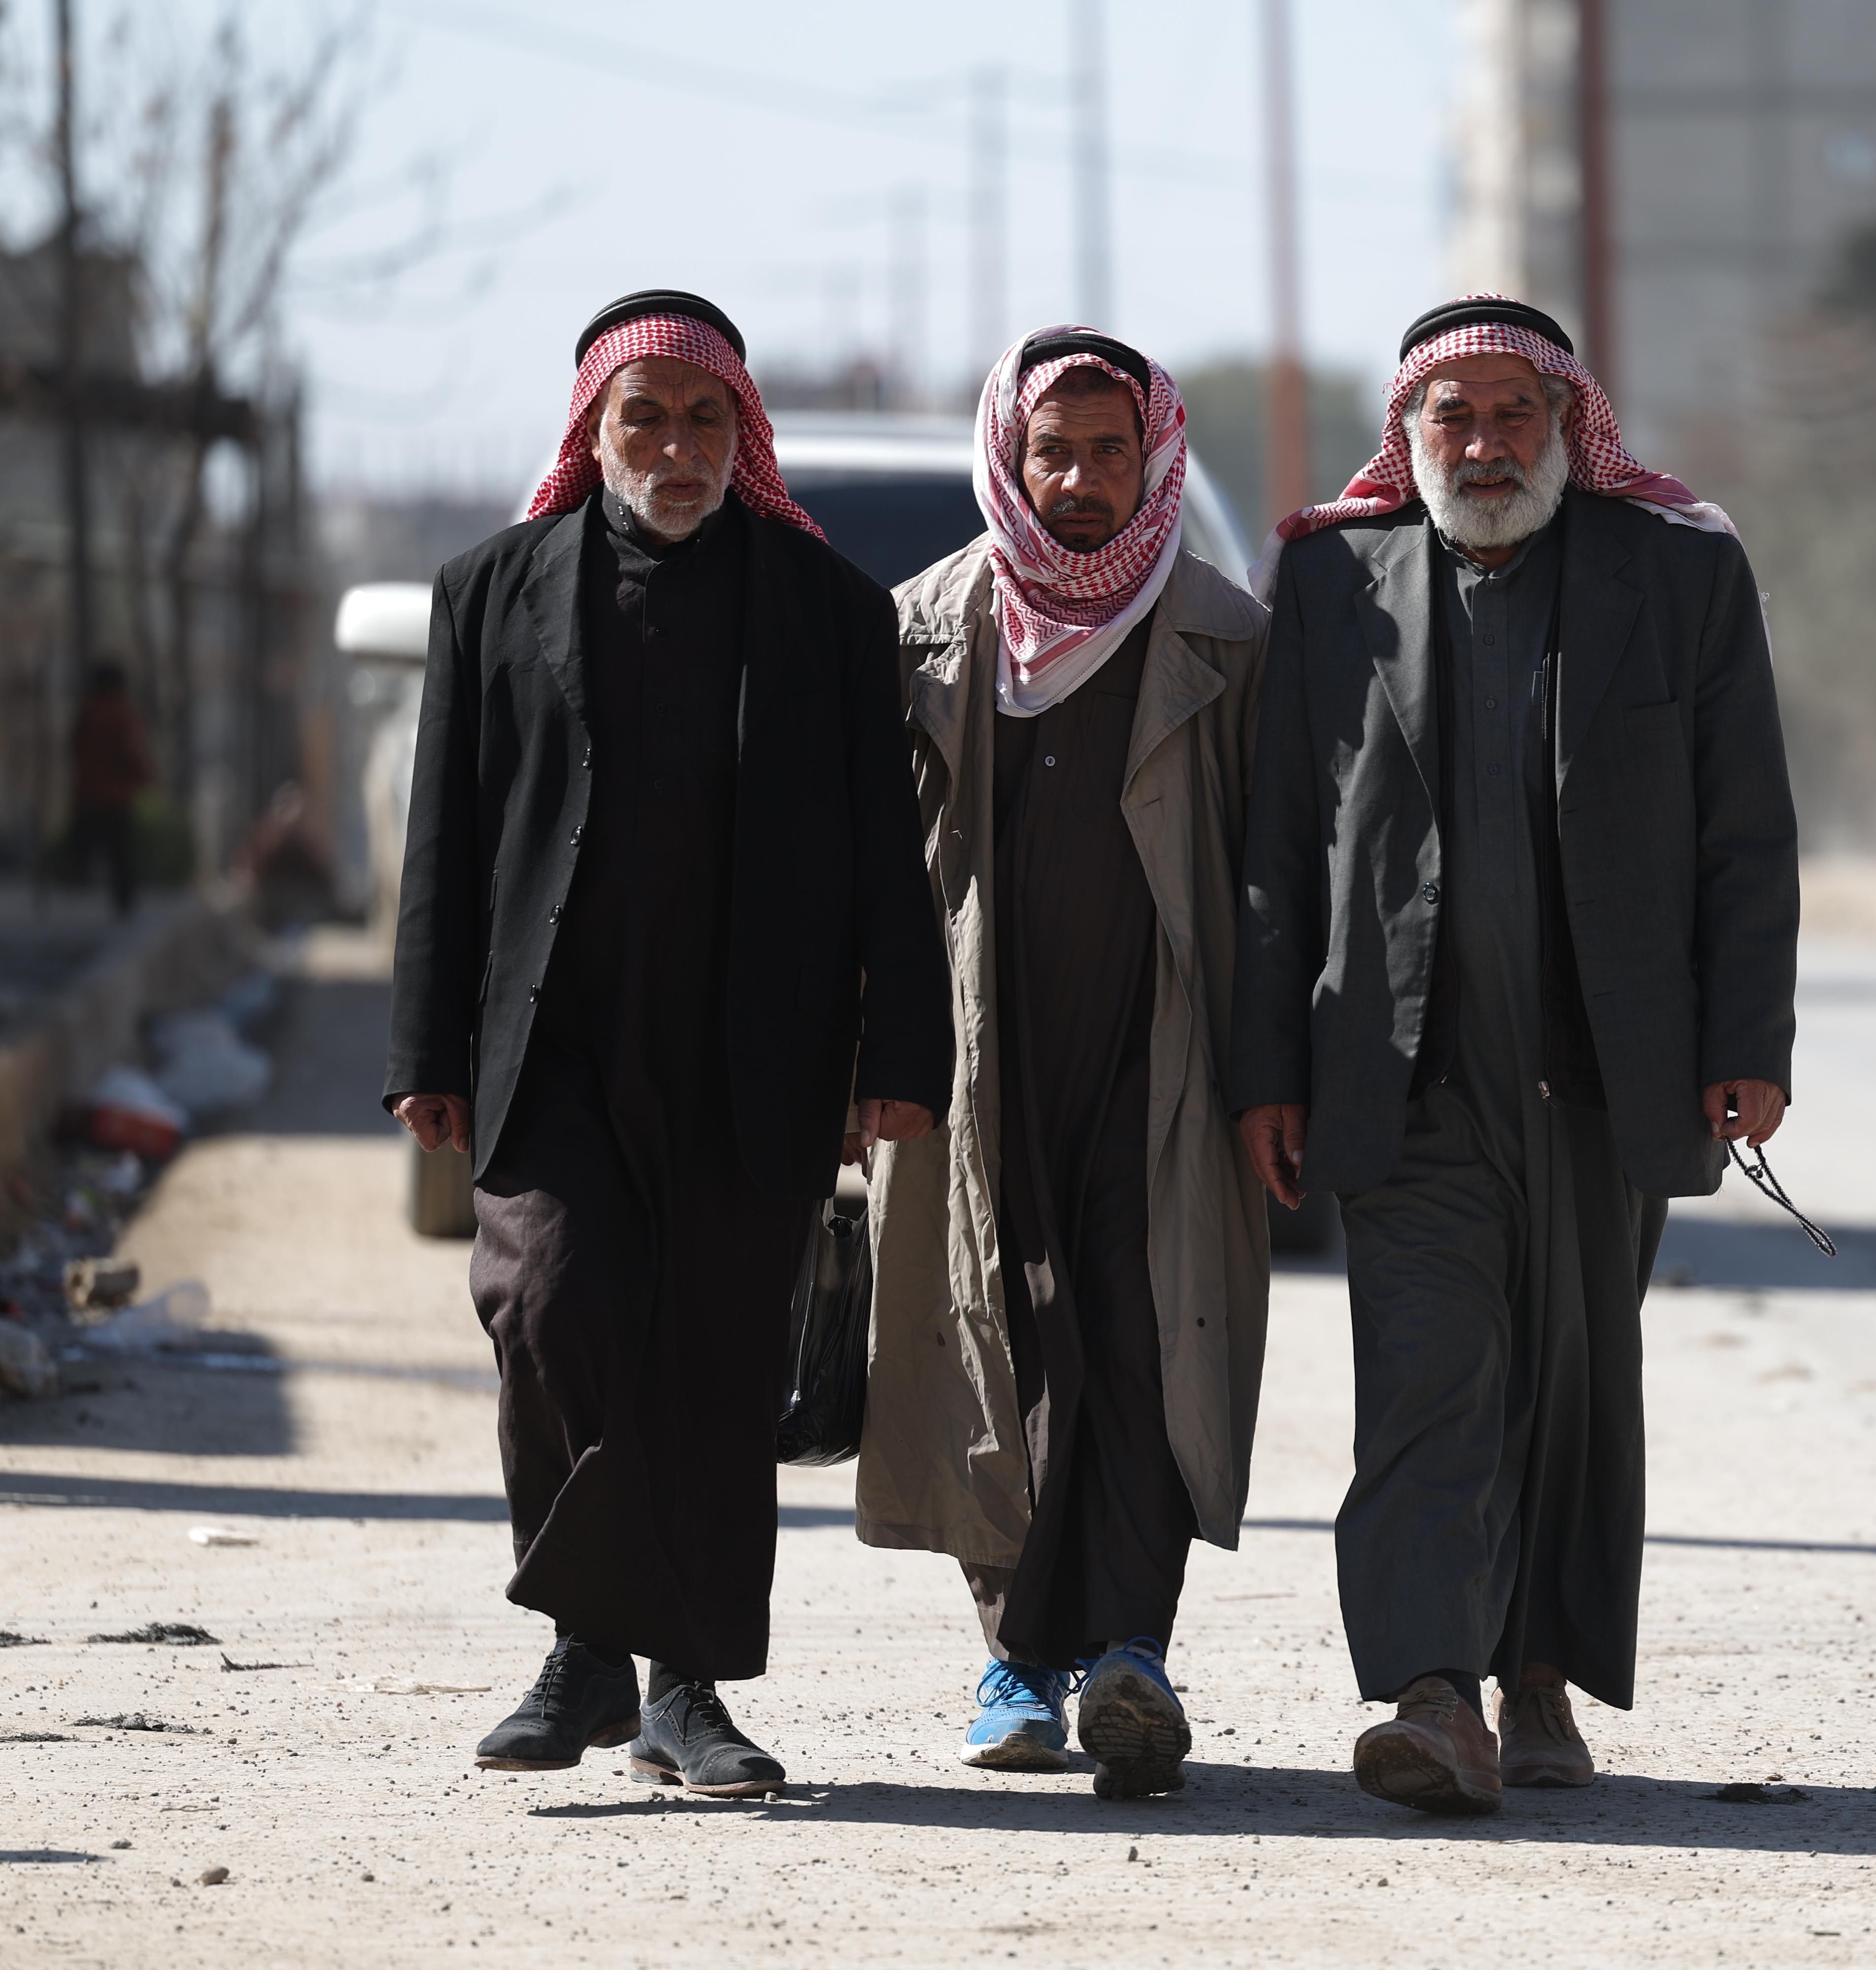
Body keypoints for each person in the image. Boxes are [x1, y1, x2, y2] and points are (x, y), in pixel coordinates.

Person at [1229, 295, 1800, 1815]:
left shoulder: (1675, 577)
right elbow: (1276, 848)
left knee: (1565, 1373)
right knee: (1427, 1374)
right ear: (1406, 434)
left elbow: (1743, 828)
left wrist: (1746, 1038)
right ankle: (1432, 1688)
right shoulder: (1331, 580)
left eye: (1512, 416)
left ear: (1564, 428)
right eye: (1452, 418)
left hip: (1603, 1063)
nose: (1483, 445)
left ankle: (1537, 1671)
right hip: (1399, 1066)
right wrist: (1262, 1065)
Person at [385, 291, 952, 1800]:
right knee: (554, 1302)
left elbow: (883, 852)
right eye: (647, 417)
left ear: (741, 436)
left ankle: (679, 1689)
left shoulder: (824, 609)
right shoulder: (490, 589)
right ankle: (583, 1639)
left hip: (751, 1047)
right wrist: (421, 1048)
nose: (678, 447)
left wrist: (897, 1044)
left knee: (709, 1357)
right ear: (595, 428)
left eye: (707, 420)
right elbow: (442, 842)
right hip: (551, 1044)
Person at [856, 326, 1270, 1800]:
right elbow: (868, 872)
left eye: (1110, 452)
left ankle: (1130, 1651)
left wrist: (1267, 1071)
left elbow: (1273, 877)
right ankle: (1016, 1664)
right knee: (996, 1335)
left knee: (1147, 1336)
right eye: (1055, 453)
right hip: (977, 1062)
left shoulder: (1223, 635)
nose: (1082, 482)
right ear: (1012, 461)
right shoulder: (924, 631)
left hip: (1160, 1059)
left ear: (1152, 456)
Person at [67, 660, 152, 918]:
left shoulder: (87, 712)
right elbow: (132, 753)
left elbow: (74, 747)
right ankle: (123, 905)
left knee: (82, 849)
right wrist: (146, 778)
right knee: (120, 855)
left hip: (87, 795)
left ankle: (71, 892)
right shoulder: (121, 714)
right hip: (116, 799)